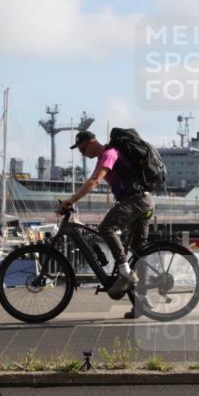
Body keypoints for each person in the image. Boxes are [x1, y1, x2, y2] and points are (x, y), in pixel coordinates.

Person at [61, 130, 153, 304]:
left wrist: (72, 200)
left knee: (106, 228)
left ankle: (125, 273)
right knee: (139, 252)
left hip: (136, 200)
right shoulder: (104, 157)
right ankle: (141, 301)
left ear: (91, 143)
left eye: (82, 150)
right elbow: (92, 180)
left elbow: (95, 181)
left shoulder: (109, 154)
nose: (82, 154)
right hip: (144, 200)